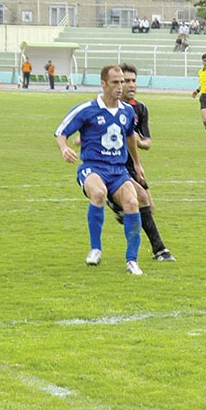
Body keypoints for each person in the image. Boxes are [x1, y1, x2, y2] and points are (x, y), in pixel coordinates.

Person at [54, 64, 145, 275]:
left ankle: (132, 260)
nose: (120, 87)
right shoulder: (87, 109)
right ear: (103, 83)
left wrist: (137, 164)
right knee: (99, 193)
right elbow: (61, 132)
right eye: (115, 82)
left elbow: (130, 137)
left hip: (118, 169)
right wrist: (64, 148)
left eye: (122, 82)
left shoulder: (128, 111)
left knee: (132, 202)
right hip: (92, 167)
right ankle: (95, 249)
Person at [107, 62, 176, 262]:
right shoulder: (109, 108)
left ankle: (122, 209)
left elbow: (147, 142)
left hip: (131, 164)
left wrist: (137, 146)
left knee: (149, 205)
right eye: (125, 81)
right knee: (141, 200)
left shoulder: (141, 109)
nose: (130, 85)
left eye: (133, 81)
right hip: (113, 165)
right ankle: (159, 251)